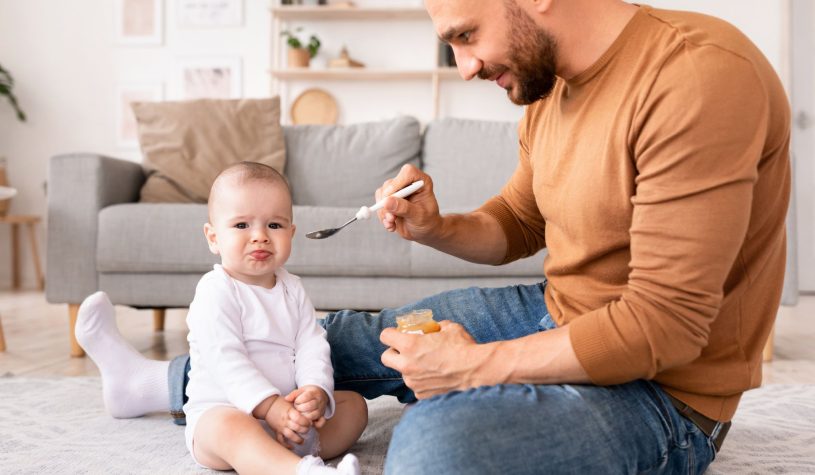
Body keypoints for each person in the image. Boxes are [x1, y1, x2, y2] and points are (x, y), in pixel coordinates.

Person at [75, 0, 791, 473]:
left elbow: (663, 325)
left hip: (662, 393)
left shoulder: (696, 76)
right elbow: (516, 223)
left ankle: (452, 406)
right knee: (343, 340)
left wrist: (475, 368)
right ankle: (153, 383)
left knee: (436, 446)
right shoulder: (552, 92)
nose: (465, 66)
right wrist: (436, 226)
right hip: (561, 313)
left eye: (465, 35)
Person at [77, 162, 367, 475]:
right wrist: (269, 408)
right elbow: (227, 360)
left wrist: (315, 391)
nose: (260, 237)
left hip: (287, 414)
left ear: (291, 233)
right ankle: (301, 470)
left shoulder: (291, 288)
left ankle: (285, 453)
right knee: (228, 427)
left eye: (274, 225)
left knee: (354, 406)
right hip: (227, 411)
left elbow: (311, 343)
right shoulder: (216, 291)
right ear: (213, 238)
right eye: (242, 225)